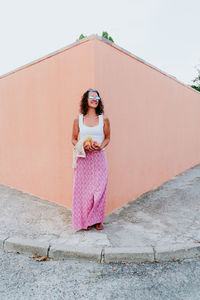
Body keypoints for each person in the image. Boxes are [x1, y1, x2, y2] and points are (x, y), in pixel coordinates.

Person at [71, 89, 110, 231]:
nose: (95, 99)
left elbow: (107, 138)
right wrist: (82, 145)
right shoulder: (78, 119)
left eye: (97, 97)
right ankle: (85, 220)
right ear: (86, 100)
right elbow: (73, 138)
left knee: (100, 189)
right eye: (91, 96)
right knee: (83, 190)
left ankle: (97, 219)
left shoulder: (104, 119)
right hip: (83, 158)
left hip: (99, 157)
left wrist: (100, 147)